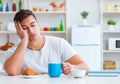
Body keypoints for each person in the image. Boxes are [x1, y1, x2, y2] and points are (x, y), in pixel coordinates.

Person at [4, 9, 89, 76]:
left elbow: (85, 67)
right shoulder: (13, 51)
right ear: (18, 31)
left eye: (33, 25)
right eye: (25, 28)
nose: (30, 30)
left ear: (38, 25)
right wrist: (24, 39)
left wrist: (72, 67)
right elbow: (12, 71)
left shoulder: (59, 43)